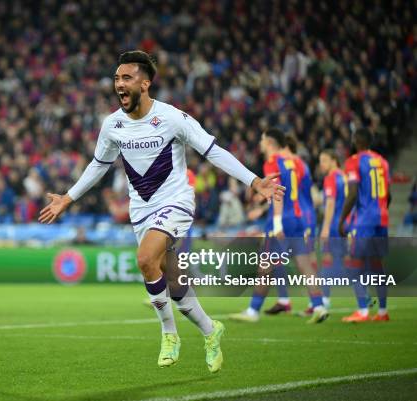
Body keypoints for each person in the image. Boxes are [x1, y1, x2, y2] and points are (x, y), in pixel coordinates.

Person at [39, 51, 284, 372]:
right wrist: (67, 199)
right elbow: (98, 166)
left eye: (126, 78)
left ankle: (169, 334)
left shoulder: (172, 118)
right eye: (116, 79)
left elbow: (213, 150)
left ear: (145, 82)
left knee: (144, 259)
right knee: (176, 285)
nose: (119, 85)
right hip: (141, 209)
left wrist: (254, 181)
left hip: (176, 202)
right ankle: (211, 331)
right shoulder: (112, 125)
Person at [229, 128, 329, 324]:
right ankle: (318, 306)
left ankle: (253, 310)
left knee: (265, 265)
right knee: (304, 263)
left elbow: (277, 193)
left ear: (270, 143)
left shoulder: (272, 162)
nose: (260, 142)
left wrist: (276, 223)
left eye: (262, 139)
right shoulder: (294, 162)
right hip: (298, 218)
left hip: (281, 218)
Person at [339, 128, 391, 322]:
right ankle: (383, 312)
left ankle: (362, 311)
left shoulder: (354, 161)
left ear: (355, 141)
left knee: (354, 263)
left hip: (365, 220)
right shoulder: (382, 162)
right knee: (377, 265)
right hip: (382, 218)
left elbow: (352, 193)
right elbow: (389, 194)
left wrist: (342, 219)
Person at [265, 136, 320, 315]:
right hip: (303, 216)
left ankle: (318, 301)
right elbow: (309, 194)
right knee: (301, 260)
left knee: (302, 261)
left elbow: (283, 193)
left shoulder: (285, 164)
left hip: (294, 216)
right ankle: (315, 303)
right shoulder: (301, 165)